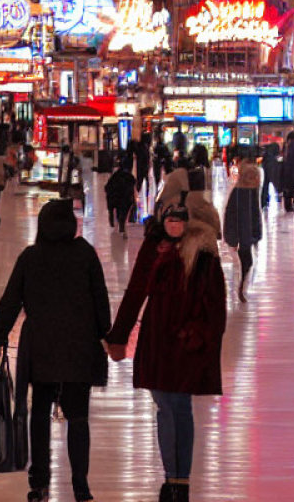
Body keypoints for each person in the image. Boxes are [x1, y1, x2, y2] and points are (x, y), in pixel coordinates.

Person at [0, 197, 110, 502]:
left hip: (40, 348)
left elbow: (10, 302)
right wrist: (105, 336)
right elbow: (100, 300)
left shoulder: (31, 257)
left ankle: (39, 482)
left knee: (39, 414)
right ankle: (81, 486)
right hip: (79, 346)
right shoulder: (85, 255)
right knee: (78, 417)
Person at [106, 205, 226, 502]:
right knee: (165, 406)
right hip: (158, 342)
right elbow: (135, 291)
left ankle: (178, 480)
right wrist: (118, 337)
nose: (174, 226)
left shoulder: (202, 254)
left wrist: (197, 337)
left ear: (187, 224)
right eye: (170, 221)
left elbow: (216, 305)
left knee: (179, 407)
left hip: (184, 346)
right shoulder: (154, 249)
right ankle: (172, 476)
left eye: (179, 221)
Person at [223, 157, 262, 303]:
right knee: (247, 260)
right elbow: (234, 215)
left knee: (247, 261)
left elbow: (254, 214)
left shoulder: (246, 192)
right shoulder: (243, 193)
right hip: (242, 236)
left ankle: (241, 287)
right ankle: (240, 288)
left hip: (244, 235)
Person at [104, 160, 136, 236]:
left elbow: (107, 187)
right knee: (123, 208)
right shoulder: (130, 177)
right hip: (125, 198)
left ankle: (114, 219)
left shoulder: (115, 176)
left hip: (114, 198)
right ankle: (121, 223)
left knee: (118, 207)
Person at [260, 141, 282, 209]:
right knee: (267, 184)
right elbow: (274, 177)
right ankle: (265, 200)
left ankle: (264, 200)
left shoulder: (267, 155)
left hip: (266, 170)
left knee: (265, 185)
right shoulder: (272, 159)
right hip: (270, 169)